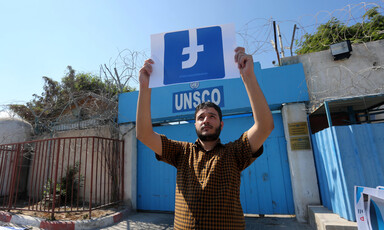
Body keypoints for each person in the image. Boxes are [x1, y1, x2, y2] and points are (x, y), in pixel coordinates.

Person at [136, 47, 274, 230]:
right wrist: (145, 88)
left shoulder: (235, 152)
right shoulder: (182, 152)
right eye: (200, 117)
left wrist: (248, 77)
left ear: (221, 124)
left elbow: (265, 126)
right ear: (194, 125)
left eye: (212, 116)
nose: (206, 120)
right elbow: (144, 134)